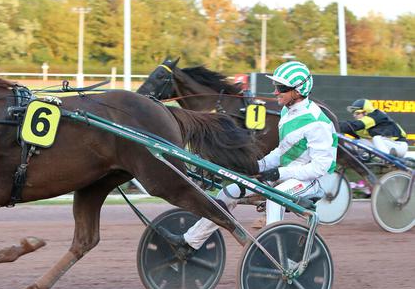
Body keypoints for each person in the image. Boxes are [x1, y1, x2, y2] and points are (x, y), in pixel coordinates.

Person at [162, 61, 338, 250]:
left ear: (297, 91)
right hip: (284, 177)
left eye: (281, 88)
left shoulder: (318, 123)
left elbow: (321, 167)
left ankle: (273, 252)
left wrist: (279, 174)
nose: (276, 92)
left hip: (308, 182)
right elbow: (282, 151)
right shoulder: (288, 112)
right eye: (275, 87)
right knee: (228, 193)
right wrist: (259, 166)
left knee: (274, 199)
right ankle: (189, 242)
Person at [339, 99, 408, 158]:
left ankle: (387, 160)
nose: (354, 115)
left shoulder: (376, 115)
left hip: (399, 146)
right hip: (387, 146)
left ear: (366, 112)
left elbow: (354, 126)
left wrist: (334, 123)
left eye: (357, 113)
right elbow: (348, 128)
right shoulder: (364, 125)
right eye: (353, 113)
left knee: (376, 138)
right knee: (359, 142)